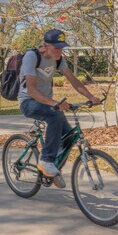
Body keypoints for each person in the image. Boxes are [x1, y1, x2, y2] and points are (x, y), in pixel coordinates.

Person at [18, 29, 101, 188]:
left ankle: (52, 171)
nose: (59, 51)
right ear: (45, 46)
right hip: (28, 101)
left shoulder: (58, 59)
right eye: (56, 48)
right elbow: (31, 90)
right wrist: (54, 103)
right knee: (55, 116)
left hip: (47, 103)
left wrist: (90, 97)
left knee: (69, 138)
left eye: (62, 47)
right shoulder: (32, 57)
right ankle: (46, 160)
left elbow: (74, 81)